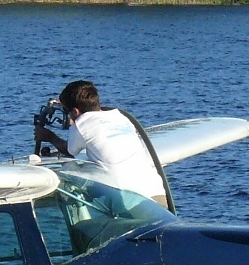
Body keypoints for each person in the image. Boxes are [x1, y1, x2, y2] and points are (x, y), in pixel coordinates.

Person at [38, 80, 169, 206]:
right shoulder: (120, 117)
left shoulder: (82, 125)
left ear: (76, 111)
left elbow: (70, 150)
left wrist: (50, 137)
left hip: (131, 200)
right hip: (157, 194)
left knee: (70, 171)